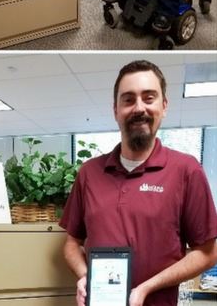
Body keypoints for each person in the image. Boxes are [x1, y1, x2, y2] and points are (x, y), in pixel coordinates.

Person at [60, 60, 217, 306]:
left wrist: (145, 288)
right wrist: (85, 276)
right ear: (115, 110)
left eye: (149, 97)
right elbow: (71, 244)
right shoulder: (89, 173)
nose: (139, 108)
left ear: (164, 106)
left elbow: (208, 253)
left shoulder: (187, 171)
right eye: (129, 99)